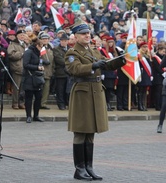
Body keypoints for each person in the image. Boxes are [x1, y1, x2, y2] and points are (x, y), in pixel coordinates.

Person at [65, 21, 125, 181]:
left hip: (95, 92)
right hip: (82, 94)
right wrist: (92, 65)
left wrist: (122, 59)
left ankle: (88, 167)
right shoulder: (72, 53)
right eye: (83, 34)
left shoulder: (93, 51)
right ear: (76, 36)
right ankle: (79, 169)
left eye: (88, 33)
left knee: (90, 132)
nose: (87, 36)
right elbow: (74, 69)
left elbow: (106, 64)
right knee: (80, 132)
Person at [22, 38, 45, 123]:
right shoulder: (29, 52)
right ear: (36, 45)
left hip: (37, 78)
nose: (41, 48)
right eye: (41, 46)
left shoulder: (38, 53)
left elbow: (39, 61)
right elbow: (25, 64)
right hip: (29, 77)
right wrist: (37, 67)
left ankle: (36, 115)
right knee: (29, 97)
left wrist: (42, 64)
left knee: (38, 97)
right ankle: (28, 116)